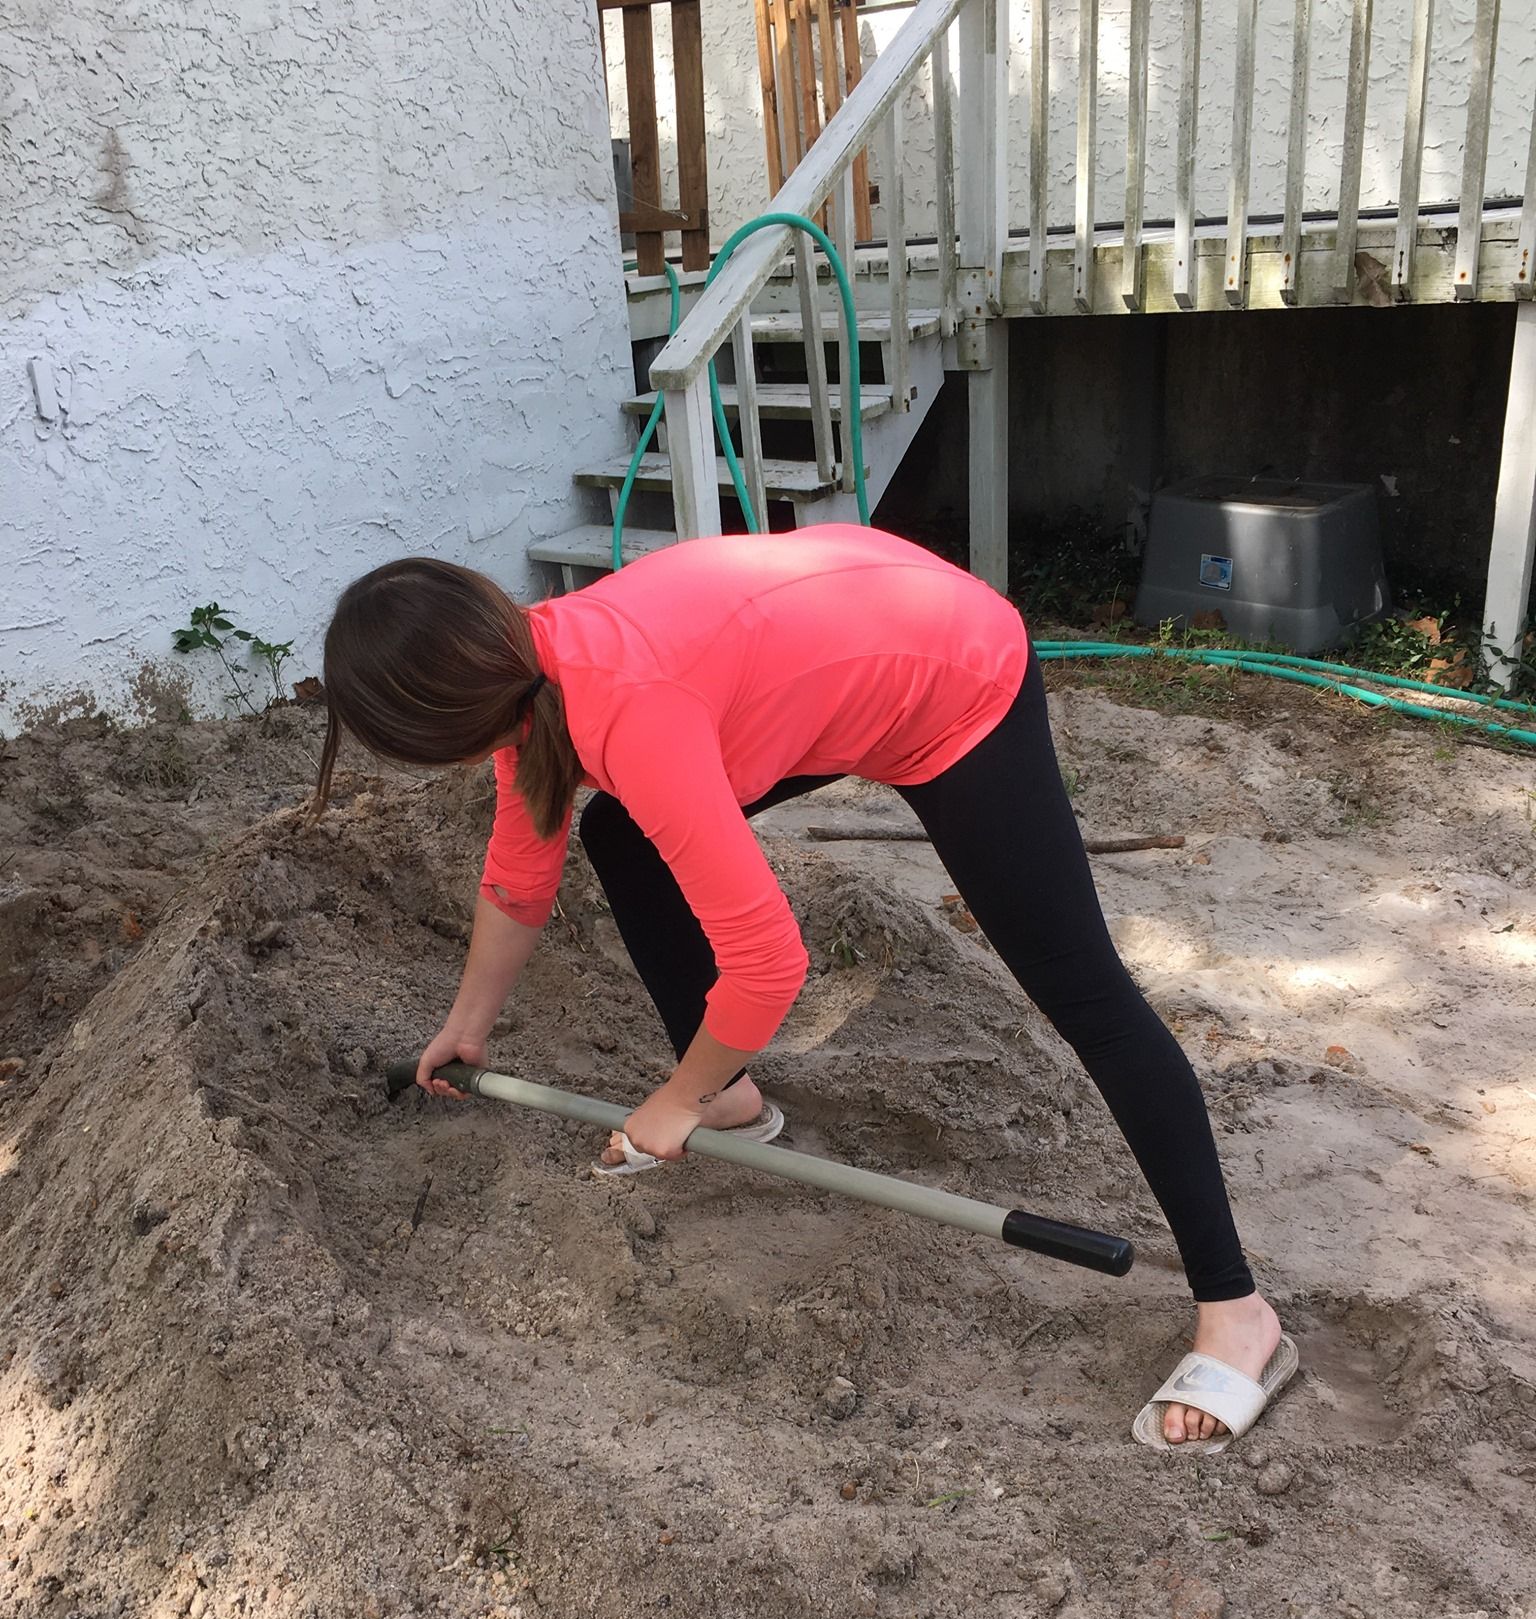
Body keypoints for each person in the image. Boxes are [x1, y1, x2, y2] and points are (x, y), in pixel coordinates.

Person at [314, 526, 1295, 1450]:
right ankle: (734, 1099)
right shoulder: (525, 669)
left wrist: (675, 1096)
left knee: (1085, 995)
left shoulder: (630, 712)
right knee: (621, 833)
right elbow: (519, 870)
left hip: (952, 676)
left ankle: (1237, 1309)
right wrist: (469, 1025)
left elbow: (770, 960)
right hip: (841, 635)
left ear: (450, 724)